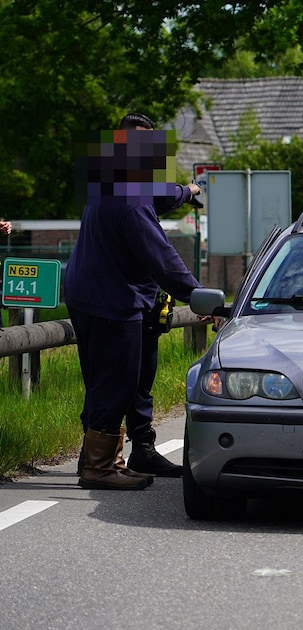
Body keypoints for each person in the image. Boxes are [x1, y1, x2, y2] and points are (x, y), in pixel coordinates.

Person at [66, 114, 206, 490]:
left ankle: (102, 459)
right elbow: (162, 259)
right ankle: (99, 468)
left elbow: (162, 194)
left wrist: (188, 191)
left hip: (88, 294)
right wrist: (198, 296)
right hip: (112, 300)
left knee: (105, 380)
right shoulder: (131, 200)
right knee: (117, 383)